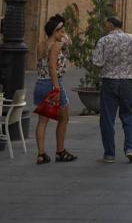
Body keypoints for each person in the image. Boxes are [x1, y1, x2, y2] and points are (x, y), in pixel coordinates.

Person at [92, 16, 132, 163]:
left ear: (110, 25)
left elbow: (97, 62)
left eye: (105, 24)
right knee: (129, 116)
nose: (105, 27)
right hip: (129, 82)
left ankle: (109, 154)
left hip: (109, 81)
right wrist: (130, 65)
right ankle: (130, 148)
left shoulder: (104, 40)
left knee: (107, 118)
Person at [34, 14, 76, 164]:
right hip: (53, 83)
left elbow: (68, 43)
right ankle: (60, 151)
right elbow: (52, 67)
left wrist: (65, 39)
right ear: (54, 32)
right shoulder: (56, 46)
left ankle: (41, 154)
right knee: (64, 118)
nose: (63, 34)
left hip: (40, 83)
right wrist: (57, 89)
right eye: (61, 31)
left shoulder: (40, 45)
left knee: (42, 121)